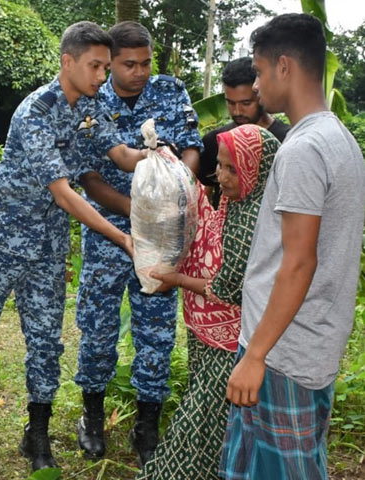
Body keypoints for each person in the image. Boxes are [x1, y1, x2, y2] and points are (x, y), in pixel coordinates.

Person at [0, 21, 147, 473]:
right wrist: (123, 237)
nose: (103, 76)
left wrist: (158, 158)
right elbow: (64, 193)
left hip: (47, 243)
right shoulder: (36, 111)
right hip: (1, 239)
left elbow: (121, 155)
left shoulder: (90, 106)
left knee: (47, 339)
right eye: (95, 66)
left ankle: (37, 433)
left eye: (106, 67)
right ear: (68, 62)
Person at [219, 13, 365, 480]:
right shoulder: (339, 140)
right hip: (302, 345)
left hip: (284, 354)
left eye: (260, 72)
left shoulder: (304, 150)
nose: (256, 86)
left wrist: (255, 356)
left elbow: (299, 262)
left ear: (284, 66)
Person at [74, 20, 203, 466]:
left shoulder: (171, 91)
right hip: (109, 232)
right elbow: (89, 178)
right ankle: (92, 417)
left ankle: (147, 426)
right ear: (110, 63)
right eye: (129, 64)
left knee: (157, 332)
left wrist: (173, 195)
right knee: (97, 328)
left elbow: (191, 149)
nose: (140, 72)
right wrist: (140, 212)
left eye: (146, 62)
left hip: (164, 234)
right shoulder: (92, 99)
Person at [136, 124, 280, 480]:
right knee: (218, 423)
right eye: (220, 165)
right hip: (208, 332)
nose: (221, 176)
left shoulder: (255, 219)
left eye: (233, 169)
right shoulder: (235, 201)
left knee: (195, 425)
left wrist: (176, 279)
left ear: (258, 169)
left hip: (234, 343)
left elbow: (228, 288)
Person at [198, 56, 290, 207]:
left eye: (246, 103)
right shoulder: (214, 141)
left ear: (260, 93)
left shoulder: (286, 140)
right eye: (230, 103)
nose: (237, 111)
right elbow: (204, 195)